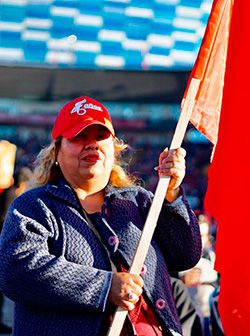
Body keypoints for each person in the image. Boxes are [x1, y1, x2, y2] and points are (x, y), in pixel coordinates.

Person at [0, 96, 202, 336]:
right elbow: (17, 271)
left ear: (114, 148)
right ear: (56, 150)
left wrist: (172, 194)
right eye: (79, 136)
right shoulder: (33, 206)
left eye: (100, 136)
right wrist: (104, 286)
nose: (92, 144)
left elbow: (185, 255)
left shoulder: (138, 200)